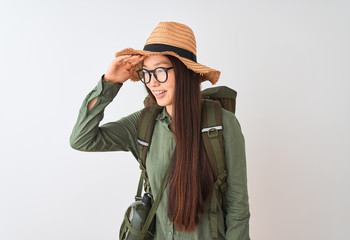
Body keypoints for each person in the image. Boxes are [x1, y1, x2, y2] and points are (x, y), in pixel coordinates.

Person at [70, 22, 250, 240]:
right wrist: (110, 83)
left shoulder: (222, 124)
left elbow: (238, 210)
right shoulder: (144, 123)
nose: (152, 82)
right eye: (146, 73)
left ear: (184, 72)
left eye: (161, 71)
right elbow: (82, 139)